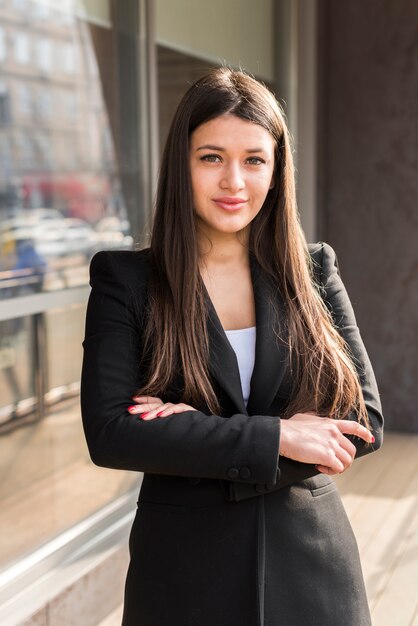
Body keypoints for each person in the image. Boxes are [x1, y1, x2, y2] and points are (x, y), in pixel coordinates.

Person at [81, 68, 383, 626]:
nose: (234, 183)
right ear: (182, 163)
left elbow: (361, 420)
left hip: (312, 568)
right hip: (183, 575)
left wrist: (195, 434)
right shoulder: (127, 281)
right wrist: (281, 436)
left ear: (277, 169)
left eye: (254, 160)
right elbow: (111, 433)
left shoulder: (313, 270)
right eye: (212, 157)